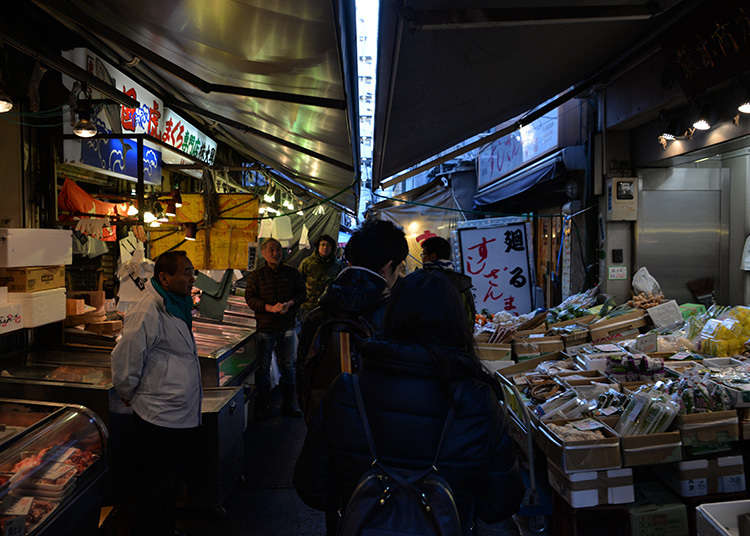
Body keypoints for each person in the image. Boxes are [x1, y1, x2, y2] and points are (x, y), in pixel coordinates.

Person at [294, 270, 523, 535]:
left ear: (391, 316)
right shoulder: (477, 400)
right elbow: (500, 503)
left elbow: (313, 488)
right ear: (456, 323)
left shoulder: (347, 392)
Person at [111, 250, 201, 536]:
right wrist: (127, 390)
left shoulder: (177, 305)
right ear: (164, 277)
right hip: (157, 414)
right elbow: (127, 355)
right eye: (185, 272)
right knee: (155, 485)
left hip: (176, 411)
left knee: (170, 482)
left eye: (191, 271)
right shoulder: (147, 308)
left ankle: (166, 528)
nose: (191, 278)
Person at [296, 219, 408, 420]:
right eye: (399, 269)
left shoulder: (318, 314)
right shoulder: (397, 316)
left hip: (324, 434)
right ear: (387, 266)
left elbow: (303, 384)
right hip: (377, 436)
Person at [245, 238, 306, 419]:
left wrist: (290, 303)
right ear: (263, 253)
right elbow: (250, 298)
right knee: (263, 368)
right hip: (265, 327)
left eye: (278, 249)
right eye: (271, 250)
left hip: (286, 326)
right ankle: (263, 407)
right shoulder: (257, 276)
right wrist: (268, 308)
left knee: (287, 366)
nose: (275, 253)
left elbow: (302, 293)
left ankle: (290, 405)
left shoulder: (292, 273)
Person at [420, 235, 476, 328]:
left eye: (424, 254)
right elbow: (469, 316)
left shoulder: (420, 282)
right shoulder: (460, 282)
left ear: (433, 256)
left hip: (429, 340)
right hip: (457, 339)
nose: (422, 258)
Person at [298, 234, 343, 317]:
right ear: (318, 246)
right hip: (308, 306)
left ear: (332, 248)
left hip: (329, 307)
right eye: (323, 245)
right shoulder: (307, 263)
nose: (325, 247)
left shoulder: (338, 265)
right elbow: (298, 283)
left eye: (328, 245)